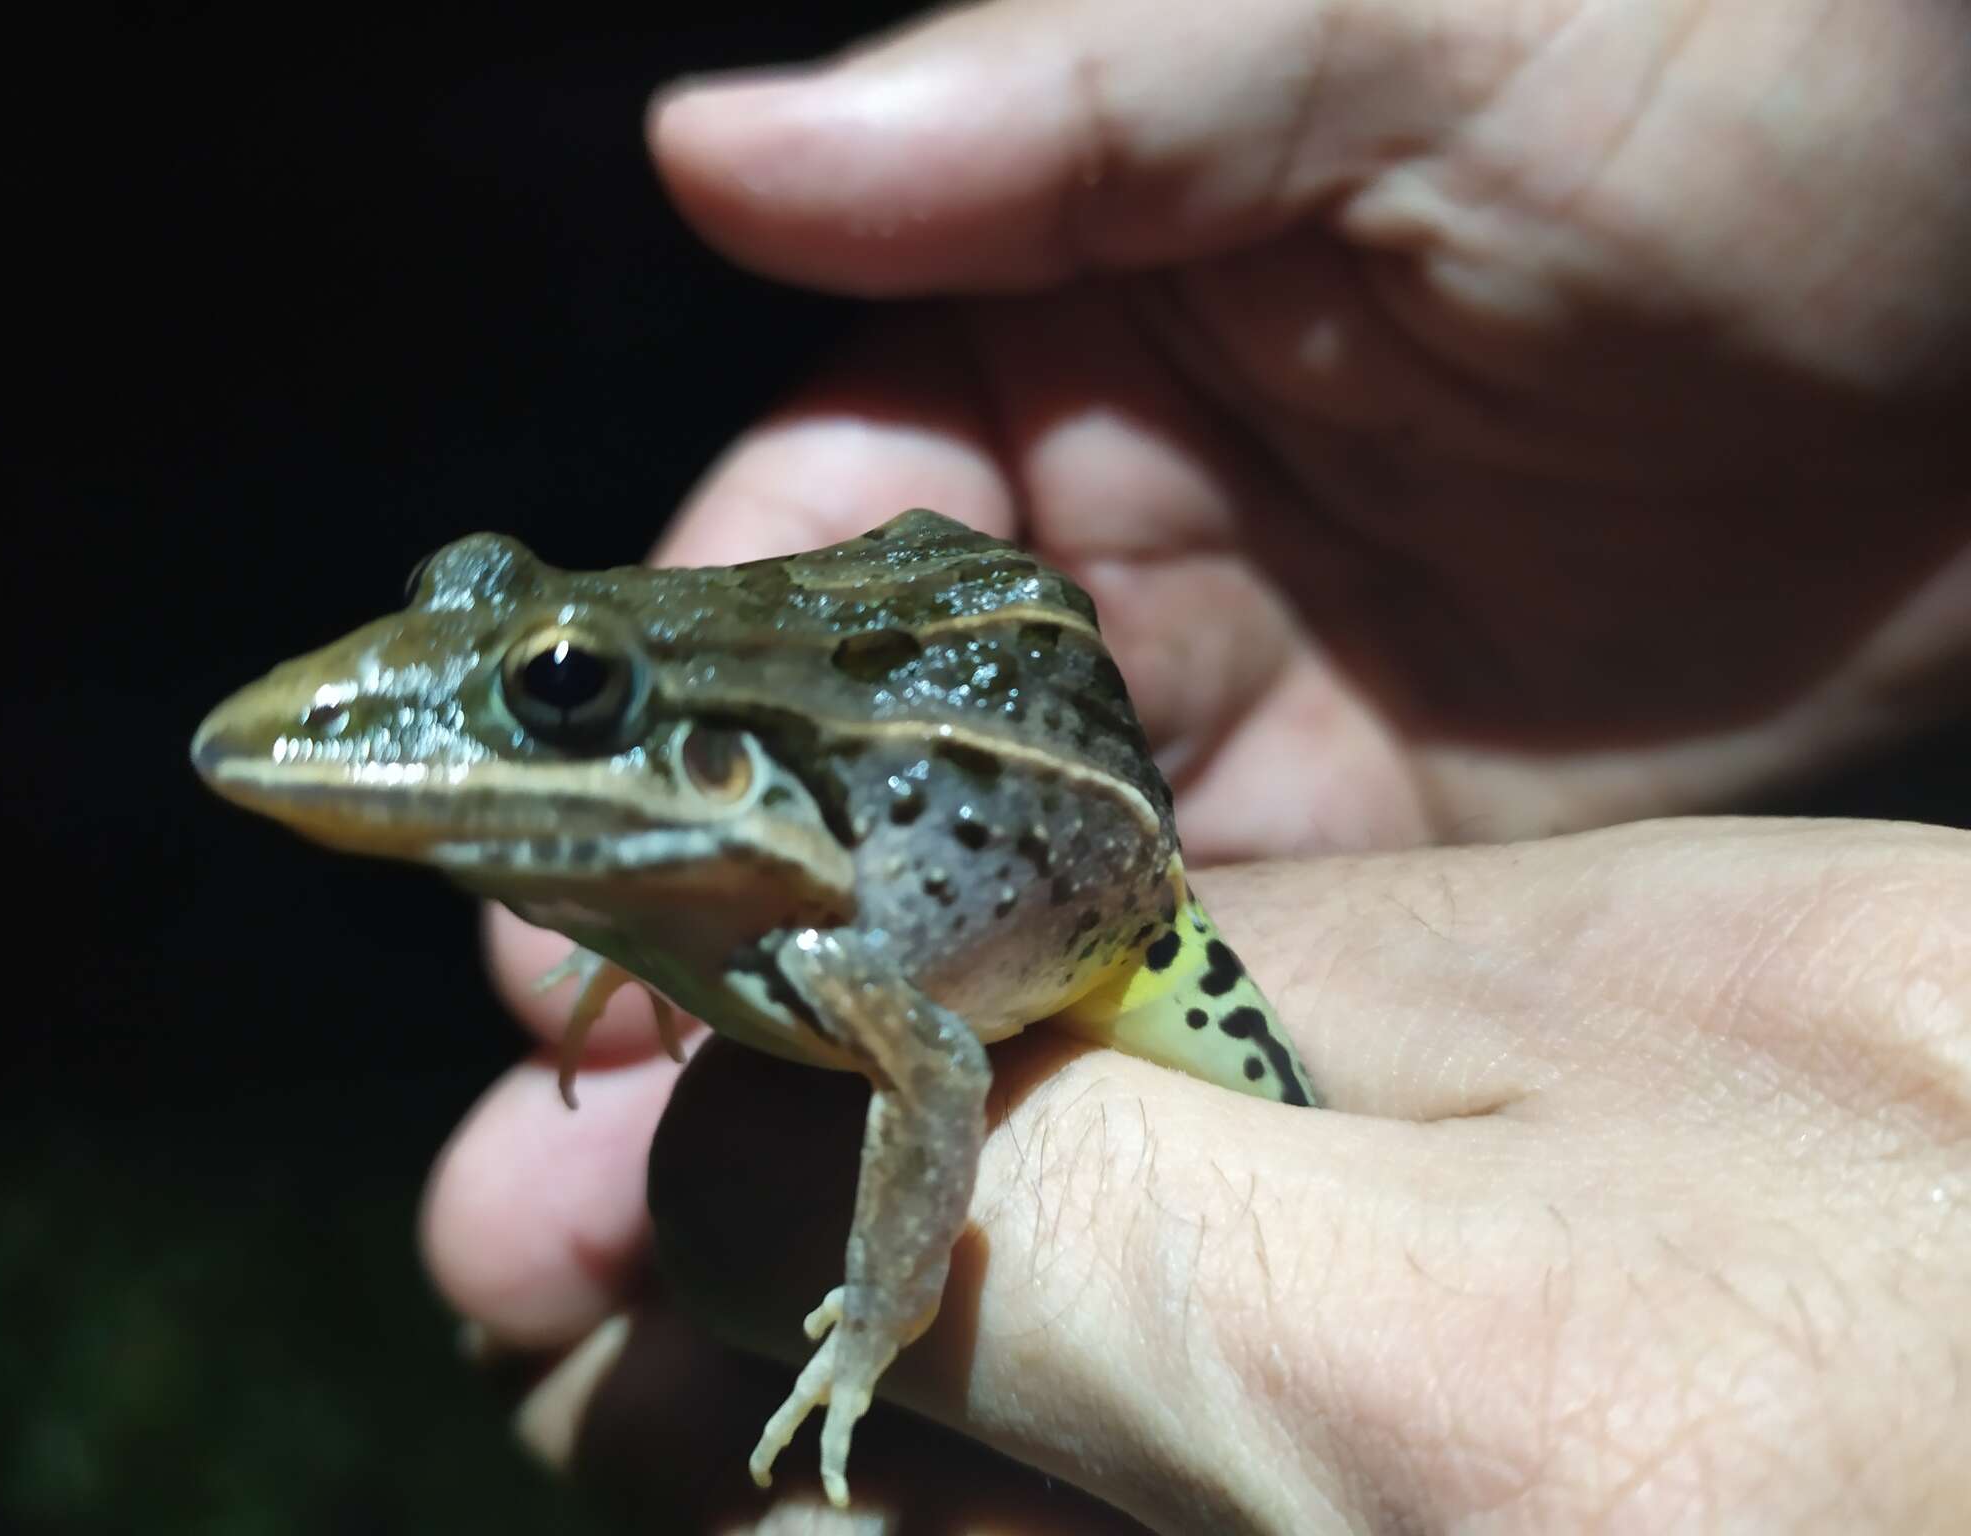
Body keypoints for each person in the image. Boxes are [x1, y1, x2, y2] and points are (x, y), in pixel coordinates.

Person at [420, 0, 1971, 1527]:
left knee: (1340, 1220)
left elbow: (937, 1061)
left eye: (564, 697)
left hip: (1131, 928)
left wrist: (878, 1323)